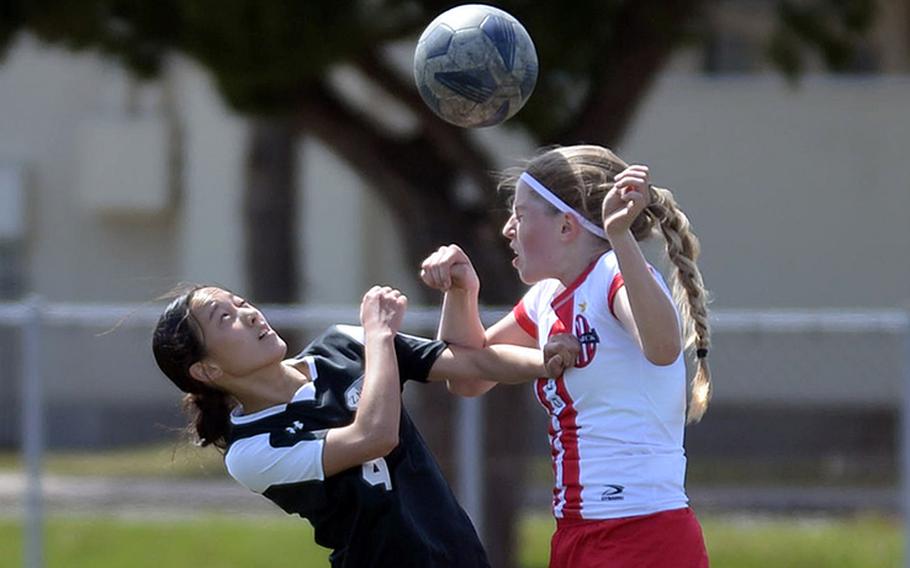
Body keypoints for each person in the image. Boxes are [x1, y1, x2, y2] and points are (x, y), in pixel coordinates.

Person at [419, 144, 711, 567]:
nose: (507, 230)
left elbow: (664, 347)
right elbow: (466, 376)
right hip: (577, 532)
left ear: (567, 227)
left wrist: (619, 236)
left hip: (642, 531)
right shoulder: (546, 299)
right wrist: (462, 294)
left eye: (520, 215)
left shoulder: (612, 273)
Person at [151, 283, 577, 568]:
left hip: (459, 555)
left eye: (240, 303)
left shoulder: (343, 344)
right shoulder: (251, 451)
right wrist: (378, 338)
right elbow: (374, 436)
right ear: (206, 370)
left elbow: (475, 362)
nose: (249, 314)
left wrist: (548, 360)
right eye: (223, 318)